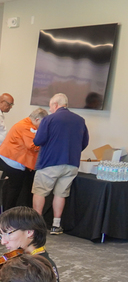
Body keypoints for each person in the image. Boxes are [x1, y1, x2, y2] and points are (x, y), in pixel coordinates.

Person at [33, 93, 89, 235]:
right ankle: (56, 225)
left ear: (56, 105)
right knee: (61, 194)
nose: (50, 109)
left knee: (40, 192)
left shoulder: (49, 119)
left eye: (51, 106)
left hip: (49, 163)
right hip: (71, 163)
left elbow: (38, 140)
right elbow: (84, 142)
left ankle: (37, 226)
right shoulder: (80, 120)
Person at [0, 108, 46, 210]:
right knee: (14, 189)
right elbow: (32, 145)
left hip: (11, 158)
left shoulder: (25, 123)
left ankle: (9, 213)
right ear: (37, 119)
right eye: (43, 123)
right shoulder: (27, 127)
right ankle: (8, 214)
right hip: (11, 160)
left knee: (15, 189)